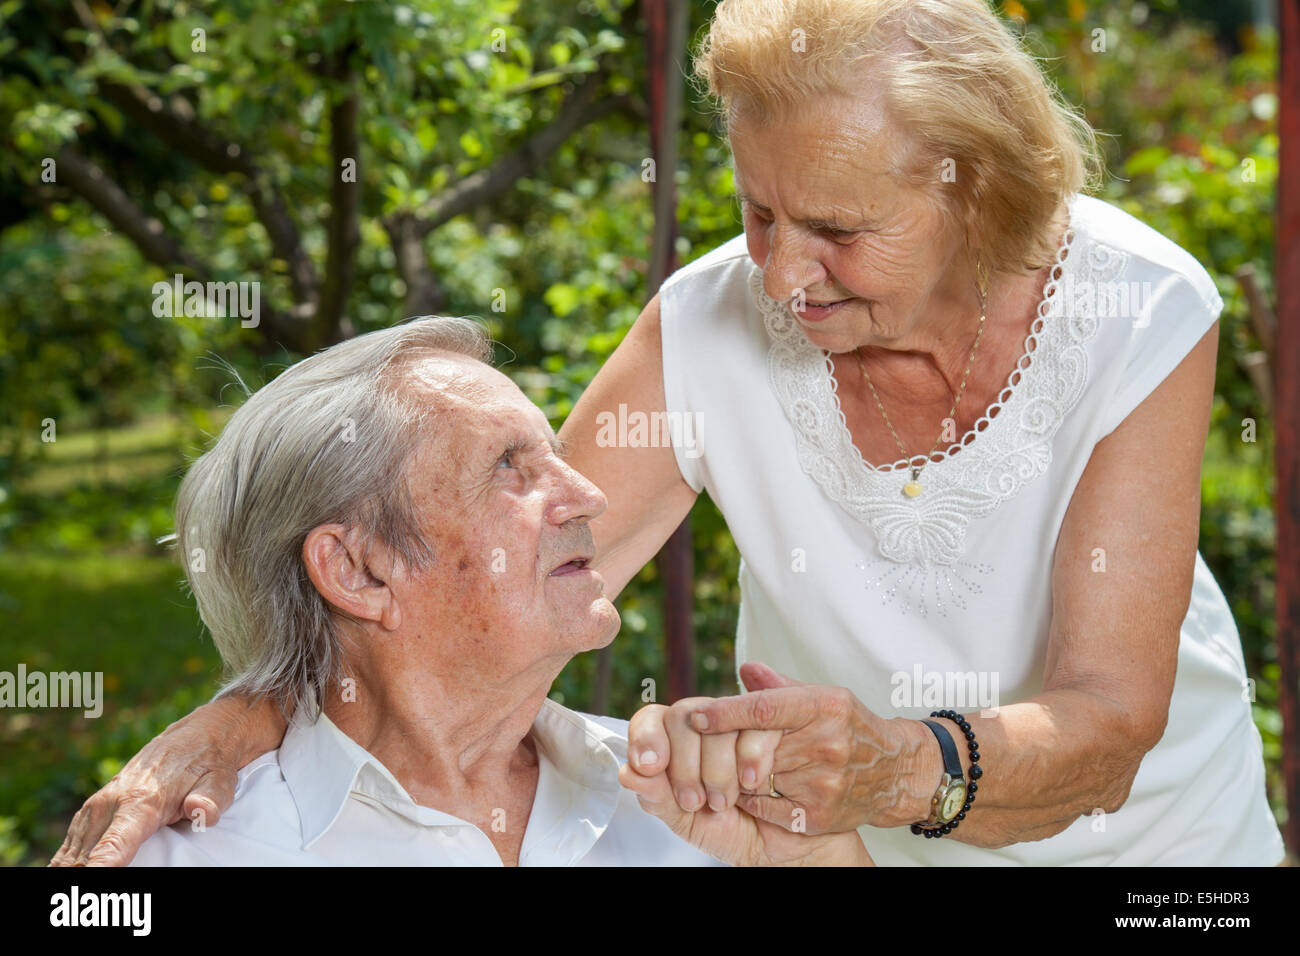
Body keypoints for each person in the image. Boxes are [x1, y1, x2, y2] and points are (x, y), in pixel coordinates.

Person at [54, 0, 1283, 866]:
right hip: (831, 845)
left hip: (1149, 846)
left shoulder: (1134, 303)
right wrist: (244, 709)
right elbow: (479, 584)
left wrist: (890, 768)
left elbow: (1110, 721)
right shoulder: (709, 324)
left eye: (837, 231)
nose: (784, 275)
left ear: (975, 192)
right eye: (755, 209)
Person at [123, 317, 871, 867]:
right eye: (510, 468)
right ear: (358, 571)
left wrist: (826, 863)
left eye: (554, 455)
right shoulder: (195, 855)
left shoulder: (684, 804)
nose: (588, 497)